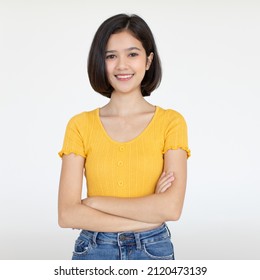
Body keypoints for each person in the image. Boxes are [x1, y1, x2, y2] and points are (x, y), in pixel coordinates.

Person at [58, 13, 190, 260]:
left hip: (153, 249)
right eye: (111, 56)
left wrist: (94, 202)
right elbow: (68, 215)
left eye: (132, 54)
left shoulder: (171, 122)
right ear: (101, 62)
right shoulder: (80, 125)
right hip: (93, 249)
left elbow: (171, 209)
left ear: (148, 60)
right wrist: (148, 213)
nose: (122, 65)